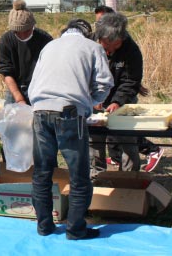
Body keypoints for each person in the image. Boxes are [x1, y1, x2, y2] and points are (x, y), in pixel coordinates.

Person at [28, 18, 113, 240]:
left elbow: (33, 83)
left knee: (42, 173)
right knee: (79, 176)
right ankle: (75, 229)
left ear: (65, 30)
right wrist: (89, 103)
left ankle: (44, 226)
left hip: (39, 111)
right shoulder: (92, 47)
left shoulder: (49, 46)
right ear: (88, 34)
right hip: (69, 114)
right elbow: (105, 83)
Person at [92, 10, 164, 172]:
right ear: (100, 38)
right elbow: (83, 75)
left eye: (115, 45)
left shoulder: (131, 50)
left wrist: (118, 101)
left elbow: (131, 80)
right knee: (95, 141)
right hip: (95, 100)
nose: (110, 49)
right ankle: (96, 178)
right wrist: (94, 97)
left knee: (127, 140)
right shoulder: (90, 45)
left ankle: (129, 179)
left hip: (122, 100)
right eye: (106, 45)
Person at [0, 0, 53, 104]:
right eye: (17, 32)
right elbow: (7, 72)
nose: (23, 35)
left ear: (33, 26)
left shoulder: (45, 39)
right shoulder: (6, 41)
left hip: (40, 89)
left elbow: (51, 69)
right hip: (14, 88)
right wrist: (19, 99)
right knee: (12, 118)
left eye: (27, 31)